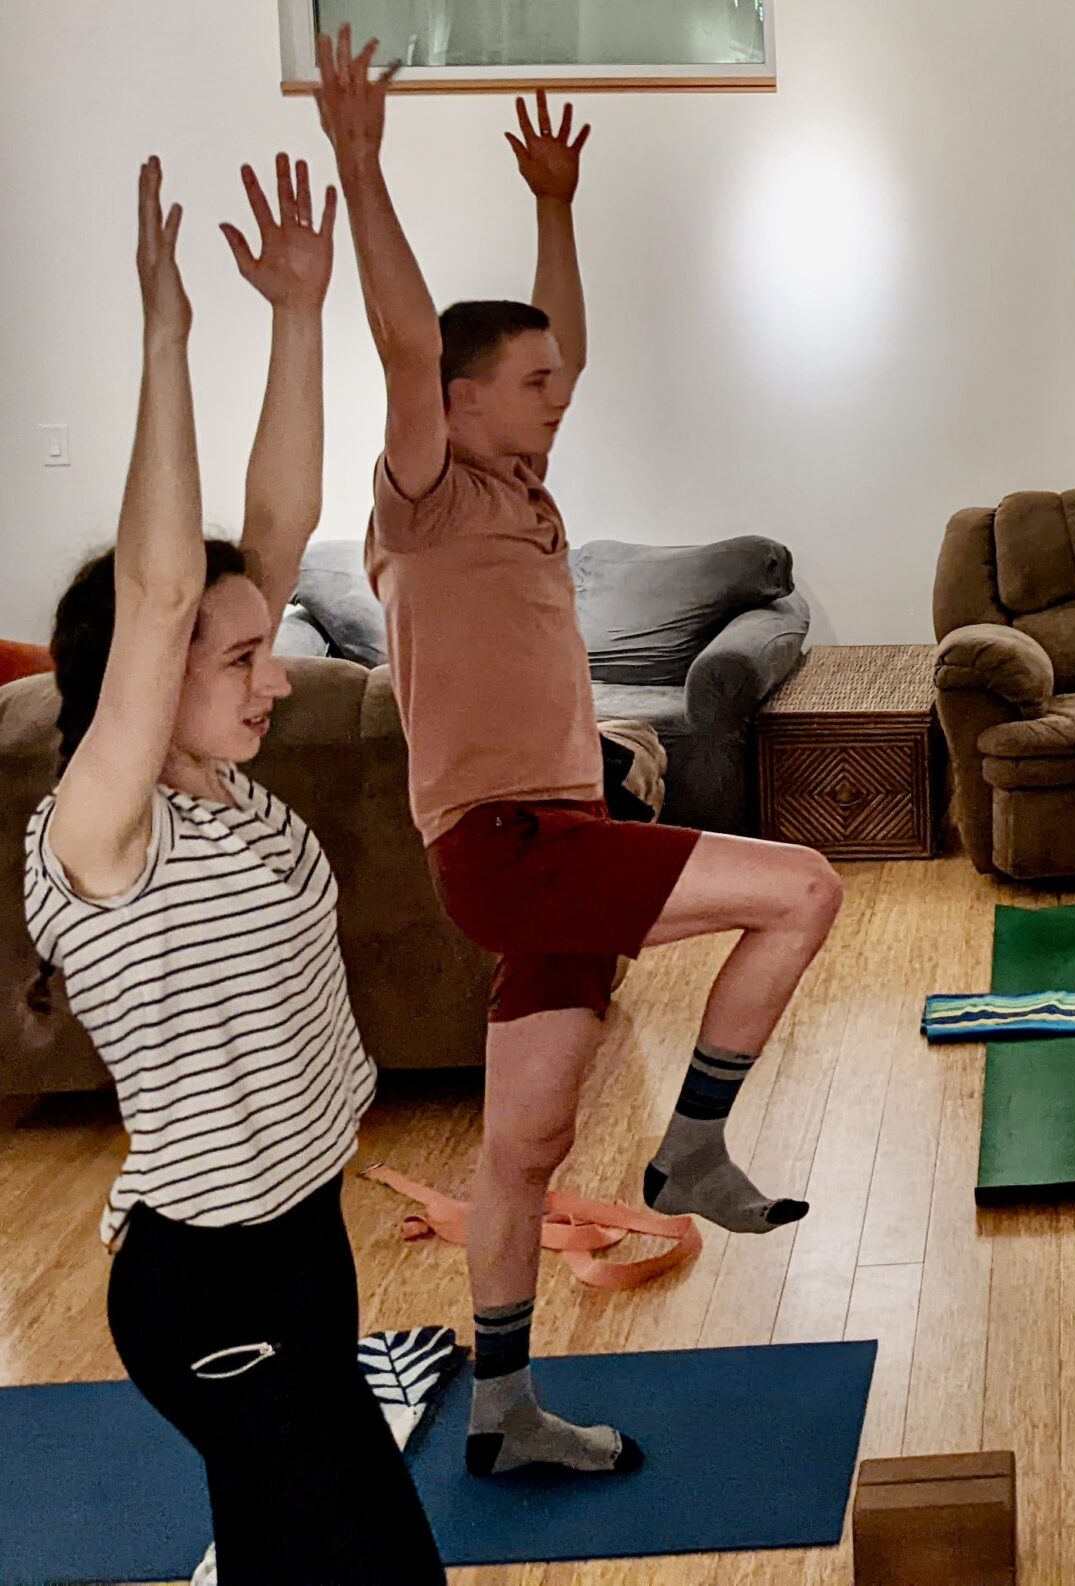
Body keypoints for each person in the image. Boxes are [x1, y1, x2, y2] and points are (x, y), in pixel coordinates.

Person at [311, 28, 844, 1479]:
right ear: (456, 399)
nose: (558, 393)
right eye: (531, 380)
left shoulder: (523, 489)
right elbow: (406, 343)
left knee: (521, 1150)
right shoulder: (423, 493)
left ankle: (502, 1406)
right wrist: (361, 165)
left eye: (556, 380)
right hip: (514, 844)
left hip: (542, 840)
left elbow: (573, 344)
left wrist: (556, 208)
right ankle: (694, 1145)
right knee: (803, 887)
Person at [26, 155, 443, 1581]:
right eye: (242, 660)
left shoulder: (226, 799)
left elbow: (265, 527)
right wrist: (167, 339)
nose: (276, 677)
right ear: (145, 681)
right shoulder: (102, 836)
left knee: (285, 1551)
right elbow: (163, 598)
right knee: (376, 1561)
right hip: (208, 1279)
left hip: (302, 1233)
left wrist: (299, 318)